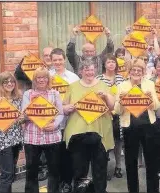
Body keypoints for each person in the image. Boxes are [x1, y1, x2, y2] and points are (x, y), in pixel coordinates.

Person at [62, 59, 115, 193]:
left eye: (91, 69)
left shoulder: (103, 85)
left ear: (95, 70)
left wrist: (106, 96)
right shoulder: (73, 86)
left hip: (101, 133)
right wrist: (67, 107)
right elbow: (63, 107)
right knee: (79, 170)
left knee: (100, 169)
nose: (89, 72)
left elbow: (112, 106)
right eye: (86, 70)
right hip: (78, 133)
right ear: (81, 71)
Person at [114, 59, 160, 193]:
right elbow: (117, 111)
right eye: (133, 70)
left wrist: (150, 100)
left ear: (143, 72)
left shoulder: (150, 84)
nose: (136, 72)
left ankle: (153, 190)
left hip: (149, 127)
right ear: (129, 71)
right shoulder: (122, 86)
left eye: (139, 70)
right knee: (130, 163)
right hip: (129, 128)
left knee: (151, 162)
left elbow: (157, 107)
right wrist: (122, 102)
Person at [21, 66, 64, 193]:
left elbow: (60, 113)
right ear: (34, 79)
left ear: (48, 79)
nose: (41, 80)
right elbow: (24, 115)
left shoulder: (55, 93)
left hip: (52, 136)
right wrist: (35, 112)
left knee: (54, 170)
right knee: (31, 170)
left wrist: (55, 124)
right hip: (32, 137)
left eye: (44, 77)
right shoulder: (27, 94)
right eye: (38, 77)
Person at [48, 48, 79, 192]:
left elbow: (78, 98)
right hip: (53, 123)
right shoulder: (47, 76)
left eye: (60, 59)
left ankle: (67, 183)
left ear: (64, 59)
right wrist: (61, 109)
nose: (58, 62)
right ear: (51, 60)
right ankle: (57, 184)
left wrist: (68, 107)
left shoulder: (73, 77)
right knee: (54, 156)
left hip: (70, 122)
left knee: (69, 155)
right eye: (55, 60)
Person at [96, 55, 126, 181]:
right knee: (105, 142)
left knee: (118, 142)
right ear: (104, 64)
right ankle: (105, 168)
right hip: (104, 115)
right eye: (108, 62)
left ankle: (118, 166)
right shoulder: (99, 78)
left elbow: (124, 95)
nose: (111, 64)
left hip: (118, 114)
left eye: (113, 62)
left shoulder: (121, 78)